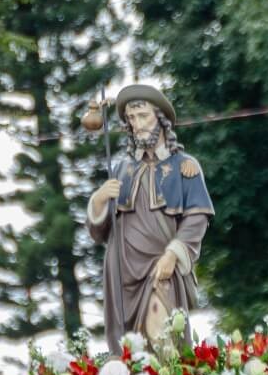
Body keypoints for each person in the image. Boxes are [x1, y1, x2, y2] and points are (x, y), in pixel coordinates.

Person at [88, 84, 214, 352]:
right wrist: (99, 200)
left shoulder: (184, 166)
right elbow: (101, 232)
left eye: (143, 116)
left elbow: (197, 217)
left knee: (162, 333)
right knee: (129, 349)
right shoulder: (121, 169)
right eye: (132, 119)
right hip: (123, 267)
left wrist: (173, 254)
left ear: (160, 118)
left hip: (160, 263)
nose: (137, 125)